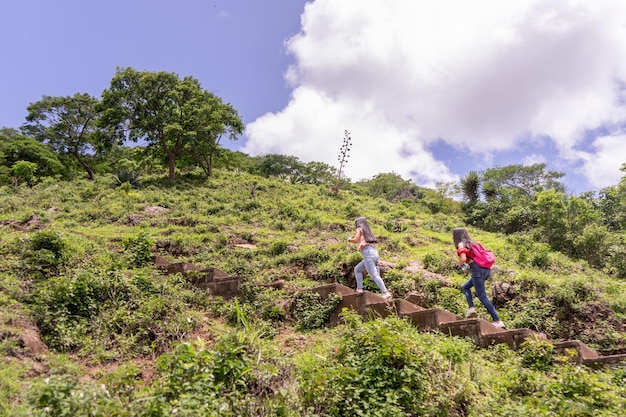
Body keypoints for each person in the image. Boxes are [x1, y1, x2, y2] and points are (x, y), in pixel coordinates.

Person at [452, 227, 505, 329]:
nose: (451, 236)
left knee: (482, 297)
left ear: (456, 235)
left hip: (477, 271)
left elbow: (463, 259)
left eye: (453, 234)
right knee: (465, 287)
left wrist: (459, 264)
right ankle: (471, 308)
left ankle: (497, 320)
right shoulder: (473, 243)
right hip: (485, 270)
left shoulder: (461, 244)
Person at [348, 217, 392, 300]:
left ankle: (385, 292)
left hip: (368, 254)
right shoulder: (369, 232)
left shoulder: (359, 229)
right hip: (374, 253)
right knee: (357, 269)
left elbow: (356, 239)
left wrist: (350, 239)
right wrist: (375, 260)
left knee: (374, 275)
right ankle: (359, 289)